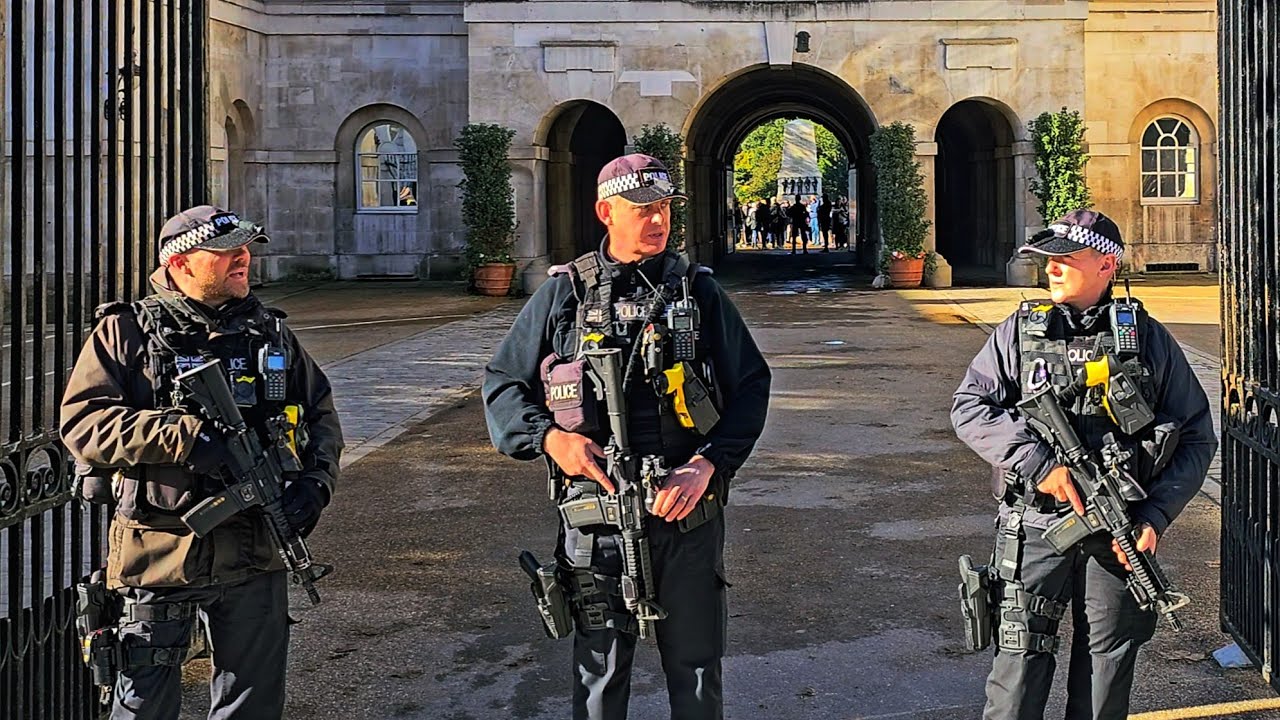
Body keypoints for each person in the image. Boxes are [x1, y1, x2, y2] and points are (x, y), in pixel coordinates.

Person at [483, 154, 771, 720]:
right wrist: (550, 441)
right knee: (599, 677)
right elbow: (502, 385)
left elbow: (752, 386)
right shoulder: (564, 294)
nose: (657, 219)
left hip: (683, 515)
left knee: (695, 674)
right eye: (642, 209)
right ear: (605, 212)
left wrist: (709, 463)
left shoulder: (697, 292)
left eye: (663, 207)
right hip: (596, 519)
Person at [60, 205, 344, 720]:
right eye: (226, 252)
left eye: (245, 251)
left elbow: (320, 415)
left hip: (256, 551)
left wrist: (316, 483)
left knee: (252, 706)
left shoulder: (270, 333)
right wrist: (186, 437)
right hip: (159, 552)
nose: (243, 260)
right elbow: (84, 425)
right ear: (181, 264)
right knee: (141, 706)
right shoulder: (127, 332)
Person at [950, 210, 1217, 720]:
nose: (1050, 269)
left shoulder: (1147, 339)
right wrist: (1036, 461)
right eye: (1047, 260)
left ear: (1106, 266)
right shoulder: (1017, 333)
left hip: (1119, 532)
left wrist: (1156, 517)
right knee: (1017, 676)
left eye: (1065, 260)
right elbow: (969, 407)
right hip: (1034, 526)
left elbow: (1197, 435)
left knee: (1104, 676)